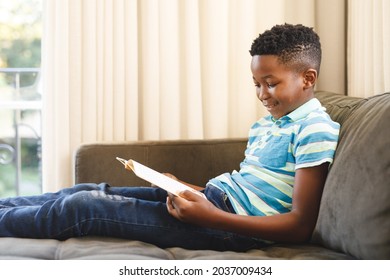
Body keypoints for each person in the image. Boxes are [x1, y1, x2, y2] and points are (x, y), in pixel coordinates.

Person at [0, 23, 340, 252]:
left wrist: (209, 216)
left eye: (271, 82)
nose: (262, 94)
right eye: (256, 84)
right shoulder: (269, 123)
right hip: (213, 201)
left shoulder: (314, 129)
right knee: (88, 190)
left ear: (307, 78)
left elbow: (299, 226)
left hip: (229, 226)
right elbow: (245, 188)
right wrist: (185, 188)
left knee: (82, 208)